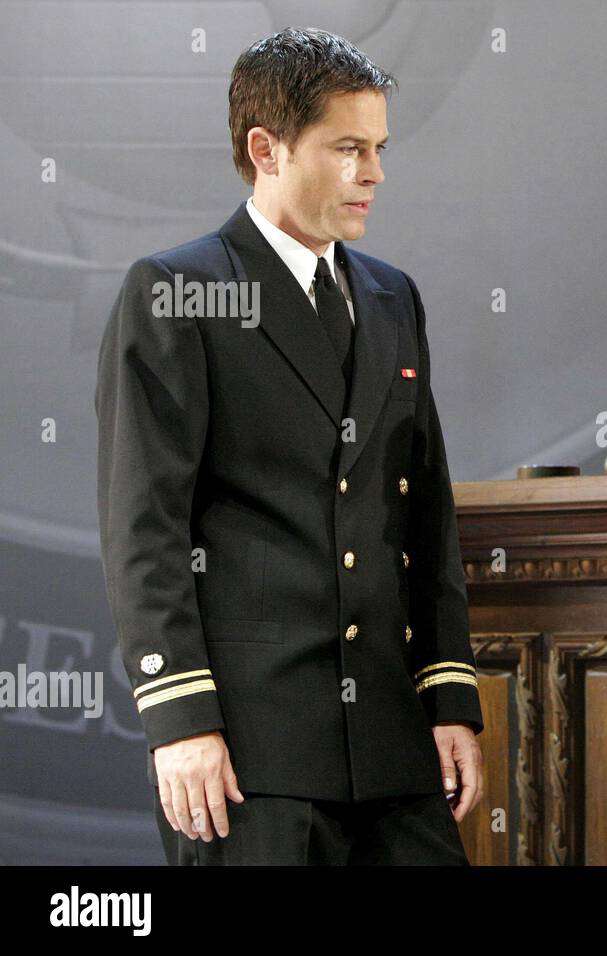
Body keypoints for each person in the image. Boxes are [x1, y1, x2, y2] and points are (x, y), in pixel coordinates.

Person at [95, 28, 482, 864]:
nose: (374, 172)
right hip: (247, 751)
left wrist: (449, 696)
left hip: (392, 739)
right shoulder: (177, 291)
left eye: (377, 147)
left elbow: (426, 513)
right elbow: (145, 528)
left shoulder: (393, 299)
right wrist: (181, 721)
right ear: (264, 148)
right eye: (348, 148)